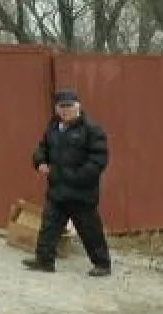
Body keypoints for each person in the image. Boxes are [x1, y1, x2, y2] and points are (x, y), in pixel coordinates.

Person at [24, 89, 112, 277]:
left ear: (77, 106)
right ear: (56, 109)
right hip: (57, 189)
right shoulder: (53, 127)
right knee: (49, 225)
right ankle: (44, 260)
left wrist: (77, 176)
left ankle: (102, 264)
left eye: (68, 107)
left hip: (82, 192)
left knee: (89, 229)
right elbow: (43, 148)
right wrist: (40, 162)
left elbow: (98, 160)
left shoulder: (91, 129)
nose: (65, 111)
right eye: (61, 107)